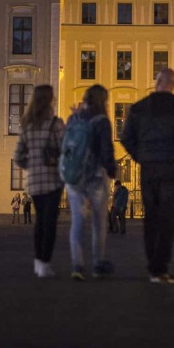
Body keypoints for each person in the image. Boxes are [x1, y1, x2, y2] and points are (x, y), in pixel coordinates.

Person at [120, 67, 174, 284]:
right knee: (167, 218)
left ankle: (153, 265)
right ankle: (159, 267)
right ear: (173, 84)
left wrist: (141, 156)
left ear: (157, 82)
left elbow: (126, 137)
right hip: (173, 168)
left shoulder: (139, 108)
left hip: (149, 167)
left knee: (151, 216)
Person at [62, 84, 117, 280]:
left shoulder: (74, 118)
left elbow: (66, 145)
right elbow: (106, 149)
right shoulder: (102, 120)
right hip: (94, 177)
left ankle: (77, 266)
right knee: (98, 222)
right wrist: (112, 169)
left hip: (74, 177)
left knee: (77, 221)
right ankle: (97, 263)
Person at [13, 84, 66, 278]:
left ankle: (38, 262)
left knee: (39, 222)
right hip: (53, 180)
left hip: (34, 182)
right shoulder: (55, 124)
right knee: (49, 223)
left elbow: (18, 157)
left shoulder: (27, 126)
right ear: (50, 100)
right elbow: (66, 149)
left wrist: (33, 165)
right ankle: (45, 262)